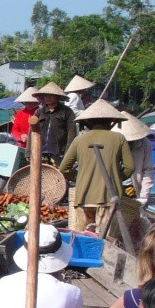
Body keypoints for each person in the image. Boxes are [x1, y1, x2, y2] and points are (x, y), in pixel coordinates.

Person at [58, 99, 135, 235]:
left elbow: (64, 168)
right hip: (108, 197)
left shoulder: (79, 140)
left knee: (81, 237)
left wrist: (79, 178)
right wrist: (116, 178)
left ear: (88, 122)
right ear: (111, 121)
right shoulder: (119, 138)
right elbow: (130, 167)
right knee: (104, 239)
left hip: (83, 197)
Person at [117, 112, 154, 243]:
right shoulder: (113, 143)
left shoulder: (144, 144)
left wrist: (144, 196)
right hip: (115, 186)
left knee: (140, 223)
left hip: (133, 187)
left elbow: (148, 171)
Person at [30, 82, 75, 161]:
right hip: (40, 152)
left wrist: (68, 153)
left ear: (58, 97)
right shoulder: (39, 111)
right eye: (46, 95)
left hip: (59, 152)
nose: (48, 98)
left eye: (51, 95)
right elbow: (32, 131)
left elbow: (71, 133)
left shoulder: (67, 112)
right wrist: (28, 152)